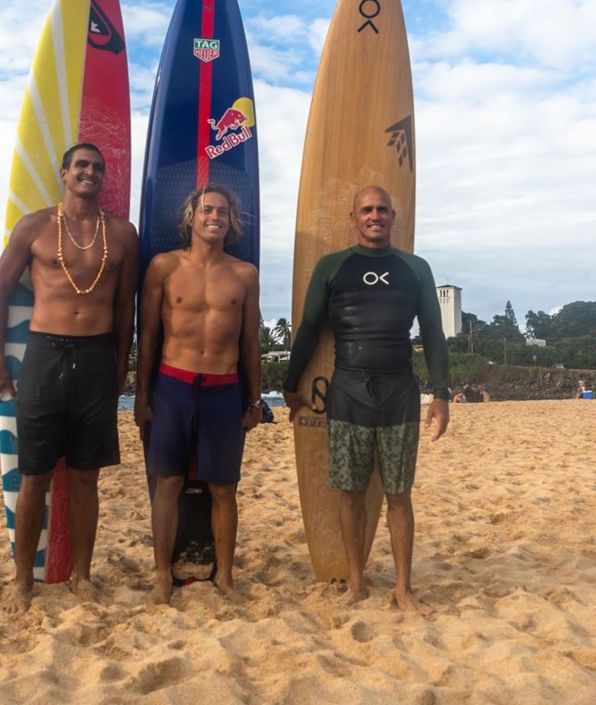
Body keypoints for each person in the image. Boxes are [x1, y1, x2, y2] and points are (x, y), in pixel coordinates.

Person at [0, 142, 138, 614]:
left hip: (96, 356)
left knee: (85, 476)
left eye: (97, 167)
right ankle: (22, 581)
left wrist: (120, 363)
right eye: (81, 166)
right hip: (44, 354)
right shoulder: (33, 226)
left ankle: (82, 575)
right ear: (65, 173)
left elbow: (125, 307)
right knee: (34, 474)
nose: (90, 172)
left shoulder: (122, 234)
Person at [283, 185, 449, 614]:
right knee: (351, 493)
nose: (375, 216)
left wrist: (441, 393)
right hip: (348, 392)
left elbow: (433, 333)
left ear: (393, 216)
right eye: (367, 210)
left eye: (382, 209)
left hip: (399, 392)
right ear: (354, 217)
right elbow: (309, 328)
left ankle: (403, 587)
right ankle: (356, 582)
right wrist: (289, 384)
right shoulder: (332, 266)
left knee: (399, 494)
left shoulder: (415, 268)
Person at [134, 183, 261, 605]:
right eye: (207, 209)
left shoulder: (244, 274)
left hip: (223, 388)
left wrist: (255, 400)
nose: (214, 217)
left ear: (231, 220)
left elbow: (250, 344)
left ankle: (225, 576)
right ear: (191, 217)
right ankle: (161, 575)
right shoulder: (164, 267)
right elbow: (148, 335)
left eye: (222, 211)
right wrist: (141, 395)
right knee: (168, 482)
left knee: (224, 488)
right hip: (173, 385)